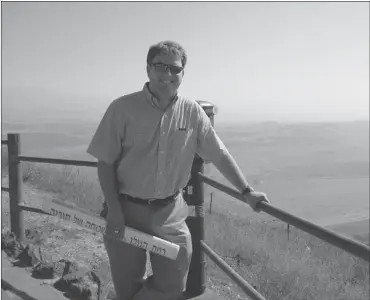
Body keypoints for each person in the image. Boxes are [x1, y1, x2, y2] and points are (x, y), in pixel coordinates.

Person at [87, 40, 270, 300]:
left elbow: (218, 154)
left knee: (173, 285)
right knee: (127, 286)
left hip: (170, 213)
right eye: (160, 66)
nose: (167, 74)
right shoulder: (122, 108)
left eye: (175, 69)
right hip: (125, 210)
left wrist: (247, 191)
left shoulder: (192, 112)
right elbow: (105, 162)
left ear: (183, 73)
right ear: (148, 69)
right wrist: (114, 210)